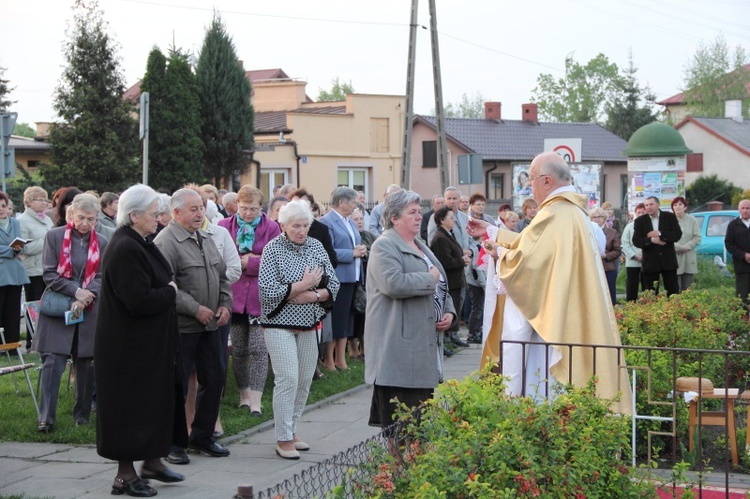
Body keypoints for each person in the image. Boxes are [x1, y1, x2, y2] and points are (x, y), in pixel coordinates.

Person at [467, 152, 631, 414]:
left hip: (552, 324)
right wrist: (493, 233)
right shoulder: (573, 211)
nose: (528, 186)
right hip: (569, 310)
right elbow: (534, 246)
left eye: (531, 180)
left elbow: (528, 262)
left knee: (544, 389)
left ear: (546, 181)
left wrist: (500, 253)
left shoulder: (554, 213)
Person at [95, 184, 185, 497]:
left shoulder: (140, 241)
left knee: (153, 403)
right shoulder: (124, 247)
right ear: (133, 216)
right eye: (153, 213)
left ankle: (152, 461)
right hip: (127, 348)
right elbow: (138, 300)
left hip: (148, 344)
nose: (159, 218)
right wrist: (171, 292)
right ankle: (124, 475)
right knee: (128, 408)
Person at [365, 190, 456, 438]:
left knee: (419, 427)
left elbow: (441, 285)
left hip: (422, 349)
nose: (419, 217)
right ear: (394, 218)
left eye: (419, 211)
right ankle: (399, 475)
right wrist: (428, 279)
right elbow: (393, 284)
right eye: (412, 212)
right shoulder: (383, 246)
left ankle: (411, 474)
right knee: (402, 430)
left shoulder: (420, 246)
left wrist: (448, 312)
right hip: (398, 352)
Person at [154, 189, 232, 460]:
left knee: (215, 378)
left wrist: (224, 304)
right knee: (178, 384)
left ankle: (202, 436)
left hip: (211, 325)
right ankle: (173, 444)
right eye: (193, 209)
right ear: (176, 213)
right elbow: (167, 286)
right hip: (183, 327)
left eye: (201, 208)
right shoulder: (166, 242)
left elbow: (222, 276)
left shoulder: (205, 237)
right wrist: (195, 309)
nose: (200, 214)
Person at [258, 199, 339, 459]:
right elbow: (268, 292)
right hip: (278, 324)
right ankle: (282, 438)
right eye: (296, 226)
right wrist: (303, 286)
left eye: (305, 225)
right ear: (283, 225)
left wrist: (315, 296)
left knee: (304, 380)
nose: (301, 231)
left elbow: (334, 283)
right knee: (287, 379)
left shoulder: (315, 245)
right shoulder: (272, 249)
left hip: (310, 322)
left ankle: (291, 429)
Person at [35, 193, 109, 432]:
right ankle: (46, 418)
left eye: (91, 219)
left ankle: (82, 415)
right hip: (59, 308)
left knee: (86, 364)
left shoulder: (104, 242)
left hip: (89, 309)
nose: (86, 224)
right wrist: (76, 292)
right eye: (81, 218)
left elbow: (101, 276)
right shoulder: (54, 237)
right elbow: (49, 273)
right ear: (70, 215)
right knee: (52, 363)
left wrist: (86, 295)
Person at [218, 185, 280, 416]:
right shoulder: (224, 226)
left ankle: (256, 399)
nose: (248, 213)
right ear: (236, 206)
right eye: (244, 208)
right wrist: (244, 261)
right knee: (240, 349)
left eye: (253, 209)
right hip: (233, 297)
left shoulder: (272, 228)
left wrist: (250, 263)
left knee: (259, 348)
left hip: (259, 298)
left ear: (261, 207)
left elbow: (275, 261)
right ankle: (243, 394)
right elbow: (220, 258)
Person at [320, 187, 366, 371]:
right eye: (353, 202)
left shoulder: (349, 221)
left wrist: (360, 250)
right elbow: (326, 252)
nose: (355, 206)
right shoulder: (327, 222)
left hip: (352, 276)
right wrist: (352, 253)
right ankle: (329, 360)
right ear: (342, 202)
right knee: (336, 319)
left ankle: (341, 359)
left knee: (347, 319)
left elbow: (353, 243)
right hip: (338, 276)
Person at [430, 206, 470, 355]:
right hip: (449, 280)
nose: (453, 220)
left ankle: (453, 336)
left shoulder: (448, 234)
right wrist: (461, 260)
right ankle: (447, 338)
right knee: (449, 309)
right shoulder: (440, 238)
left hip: (456, 279)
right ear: (442, 220)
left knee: (457, 307)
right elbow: (444, 261)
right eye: (450, 218)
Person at [633, 196, 682, 296]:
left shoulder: (669, 217)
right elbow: (636, 241)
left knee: (673, 293)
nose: (649, 207)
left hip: (668, 261)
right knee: (651, 294)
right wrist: (651, 240)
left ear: (658, 205)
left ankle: (673, 311)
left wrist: (660, 233)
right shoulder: (640, 221)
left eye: (651, 204)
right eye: (646, 205)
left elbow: (677, 234)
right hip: (650, 262)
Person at [0, 191, 30, 350]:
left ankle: (12, 347)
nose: (1, 209)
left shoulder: (15, 223)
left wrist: (17, 248)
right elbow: (10, 248)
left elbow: (20, 243)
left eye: (3, 206)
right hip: (1, 274)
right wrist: (11, 251)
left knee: (12, 312)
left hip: (16, 273)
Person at [18, 187, 53, 305]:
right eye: (40, 200)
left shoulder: (48, 219)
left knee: (48, 304)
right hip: (33, 271)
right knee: (34, 306)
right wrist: (47, 242)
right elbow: (22, 248)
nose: (44, 203)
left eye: (45, 200)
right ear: (29, 202)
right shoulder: (21, 221)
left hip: (48, 268)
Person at [350, 207, 374, 360]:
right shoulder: (350, 236)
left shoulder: (369, 236)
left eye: (361, 219)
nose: (359, 222)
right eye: (355, 219)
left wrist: (368, 253)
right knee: (354, 315)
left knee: (366, 315)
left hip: (369, 280)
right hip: (354, 279)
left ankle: (365, 348)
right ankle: (353, 350)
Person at [590, 207, 621, 306]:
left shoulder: (612, 232)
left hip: (608, 267)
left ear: (604, 218)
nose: (597, 219)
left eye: (599, 216)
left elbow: (617, 251)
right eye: (594, 217)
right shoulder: (589, 231)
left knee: (610, 295)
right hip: (593, 268)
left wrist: (605, 255)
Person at [672, 196, 701, 292]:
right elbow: (666, 239)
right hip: (675, 257)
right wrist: (680, 248)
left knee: (688, 289)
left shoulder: (692, 220)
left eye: (680, 204)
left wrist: (686, 247)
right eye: (675, 205)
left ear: (685, 207)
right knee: (676, 288)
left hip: (689, 257)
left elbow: (697, 238)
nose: (677, 207)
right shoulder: (670, 220)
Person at [725, 199, 750, 308]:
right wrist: (743, 255)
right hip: (741, 266)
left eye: (748, 208)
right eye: (743, 208)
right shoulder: (733, 225)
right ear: (739, 209)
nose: (745, 210)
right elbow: (729, 244)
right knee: (742, 296)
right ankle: (743, 321)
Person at [622, 203, 646, 301]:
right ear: (635, 213)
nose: (640, 214)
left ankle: (648, 307)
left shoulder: (651, 225)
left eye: (642, 212)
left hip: (647, 261)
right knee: (632, 286)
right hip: (632, 262)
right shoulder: (629, 227)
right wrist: (634, 256)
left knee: (647, 287)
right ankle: (631, 307)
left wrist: (645, 257)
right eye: (638, 212)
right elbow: (625, 243)